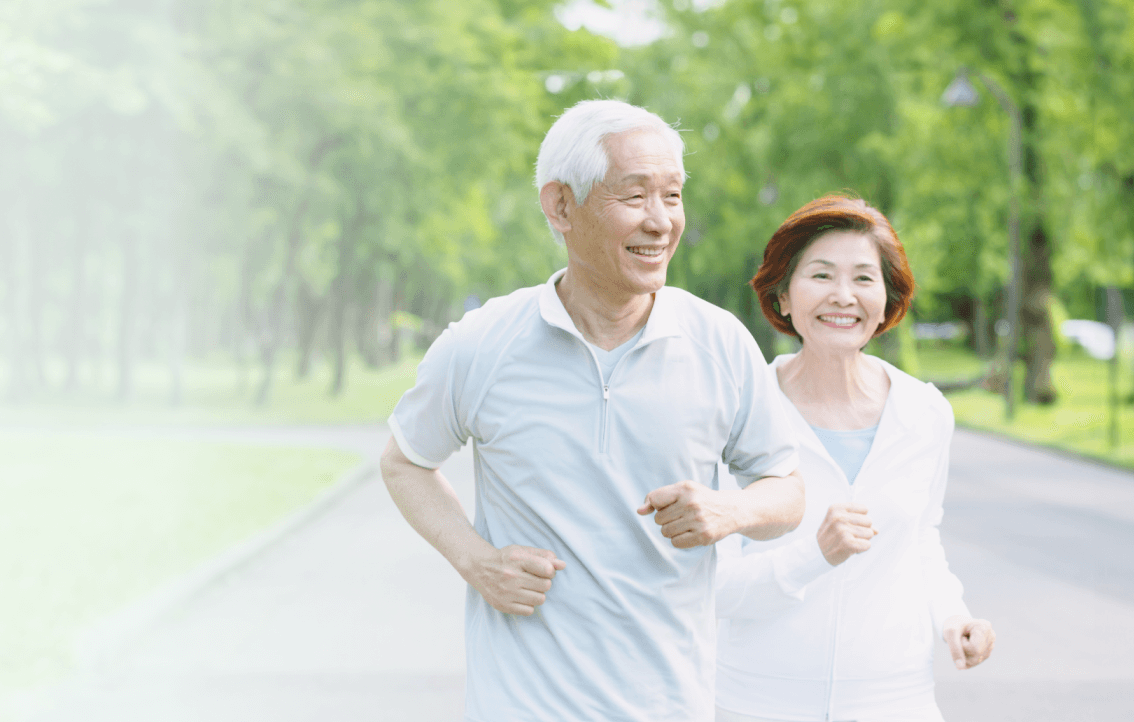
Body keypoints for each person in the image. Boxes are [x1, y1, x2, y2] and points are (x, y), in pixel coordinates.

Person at [380, 99, 806, 722]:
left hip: (669, 706)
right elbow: (405, 462)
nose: (660, 221)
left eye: (672, 196)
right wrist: (477, 561)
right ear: (560, 206)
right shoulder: (482, 343)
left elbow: (787, 491)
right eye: (634, 196)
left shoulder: (719, 343)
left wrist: (730, 509)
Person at [712, 195, 996, 722]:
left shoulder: (925, 412)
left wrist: (954, 617)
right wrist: (815, 555)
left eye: (864, 278)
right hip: (758, 703)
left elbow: (920, 540)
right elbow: (715, 586)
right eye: (821, 275)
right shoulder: (739, 411)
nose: (843, 296)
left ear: (887, 301)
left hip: (895, 702)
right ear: (783, 295)